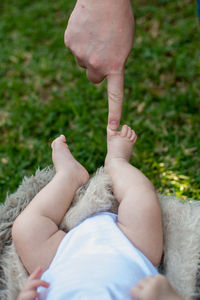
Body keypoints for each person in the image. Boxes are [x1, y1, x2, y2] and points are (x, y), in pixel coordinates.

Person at [13, 124, 164, 299]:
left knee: (26, 229)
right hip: (132, 249)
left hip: (60, 259)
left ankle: (68, 176)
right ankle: (117, 161)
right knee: (139, 198)